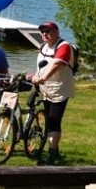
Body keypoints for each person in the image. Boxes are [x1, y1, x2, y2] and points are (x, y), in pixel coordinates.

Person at [32, 21, 76, 165]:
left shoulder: (64, 46)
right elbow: (42, 65)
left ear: (57, 33)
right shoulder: (43, 47)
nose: (45, 34)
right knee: (49, 120)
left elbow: (57, 64)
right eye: (43, 31)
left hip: (60, 89)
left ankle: (51, 154)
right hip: (46, 89)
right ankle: (54, 149)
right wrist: (34, 76)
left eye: (48, 31)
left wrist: (43, 78)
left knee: (54, 121)